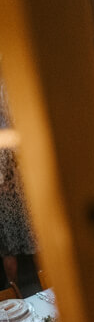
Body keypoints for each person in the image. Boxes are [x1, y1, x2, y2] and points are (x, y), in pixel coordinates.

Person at [0, 81, 36, 289]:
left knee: (9, 250)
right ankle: (48, 287)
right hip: (20, 191)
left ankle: (15, 293)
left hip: (9, 194)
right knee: (34, 243)